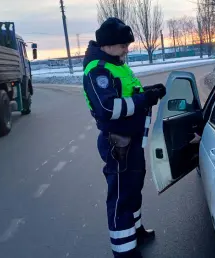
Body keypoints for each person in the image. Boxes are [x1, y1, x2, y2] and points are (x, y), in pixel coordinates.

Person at [82, 17, 166, 258]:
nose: (127, 50)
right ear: (108, 45)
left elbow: (129, 92)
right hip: (117, 142)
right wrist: (144, 100)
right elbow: (107, 108)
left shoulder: (116, 64)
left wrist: (149, 91)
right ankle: (124, 250)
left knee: (133, 189)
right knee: (120, 196)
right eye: (123, 46)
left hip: (131, 140)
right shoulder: (97, 70)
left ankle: (135, 232)